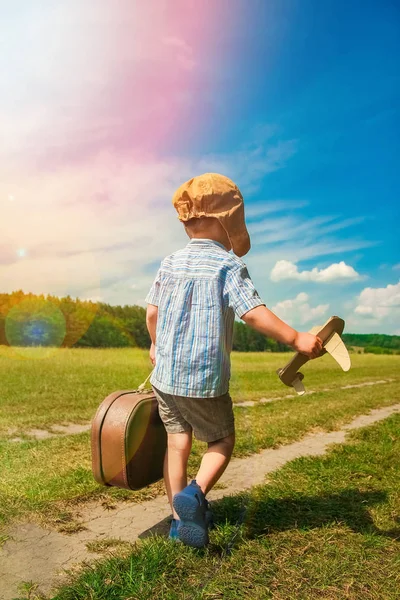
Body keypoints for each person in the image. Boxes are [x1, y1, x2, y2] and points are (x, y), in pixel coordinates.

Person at [145, 173, 322, 548]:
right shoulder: (227, 265)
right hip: (203, 379)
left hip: (165, 376)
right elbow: (252, 311)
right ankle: (195, 494)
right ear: (227, 221)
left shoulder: (170, 263)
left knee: (177, 444)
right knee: (222, 439)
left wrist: (155, 345)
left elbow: (151, 313)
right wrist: (295, 337)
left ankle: (178, 523)